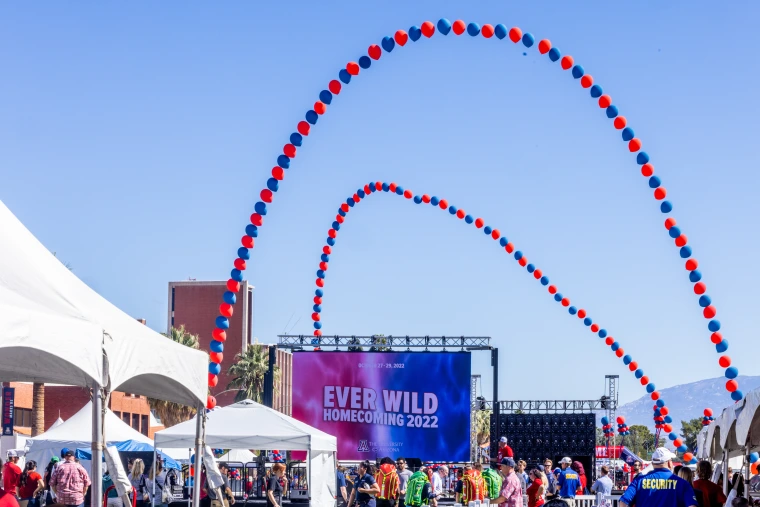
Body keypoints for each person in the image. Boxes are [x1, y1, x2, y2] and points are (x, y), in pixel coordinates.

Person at [619, 447, 697, 507]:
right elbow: (692, 505)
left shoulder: (639, 481)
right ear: (669, 463)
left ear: (653, 463)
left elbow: (623, 502)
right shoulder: (683, 484)